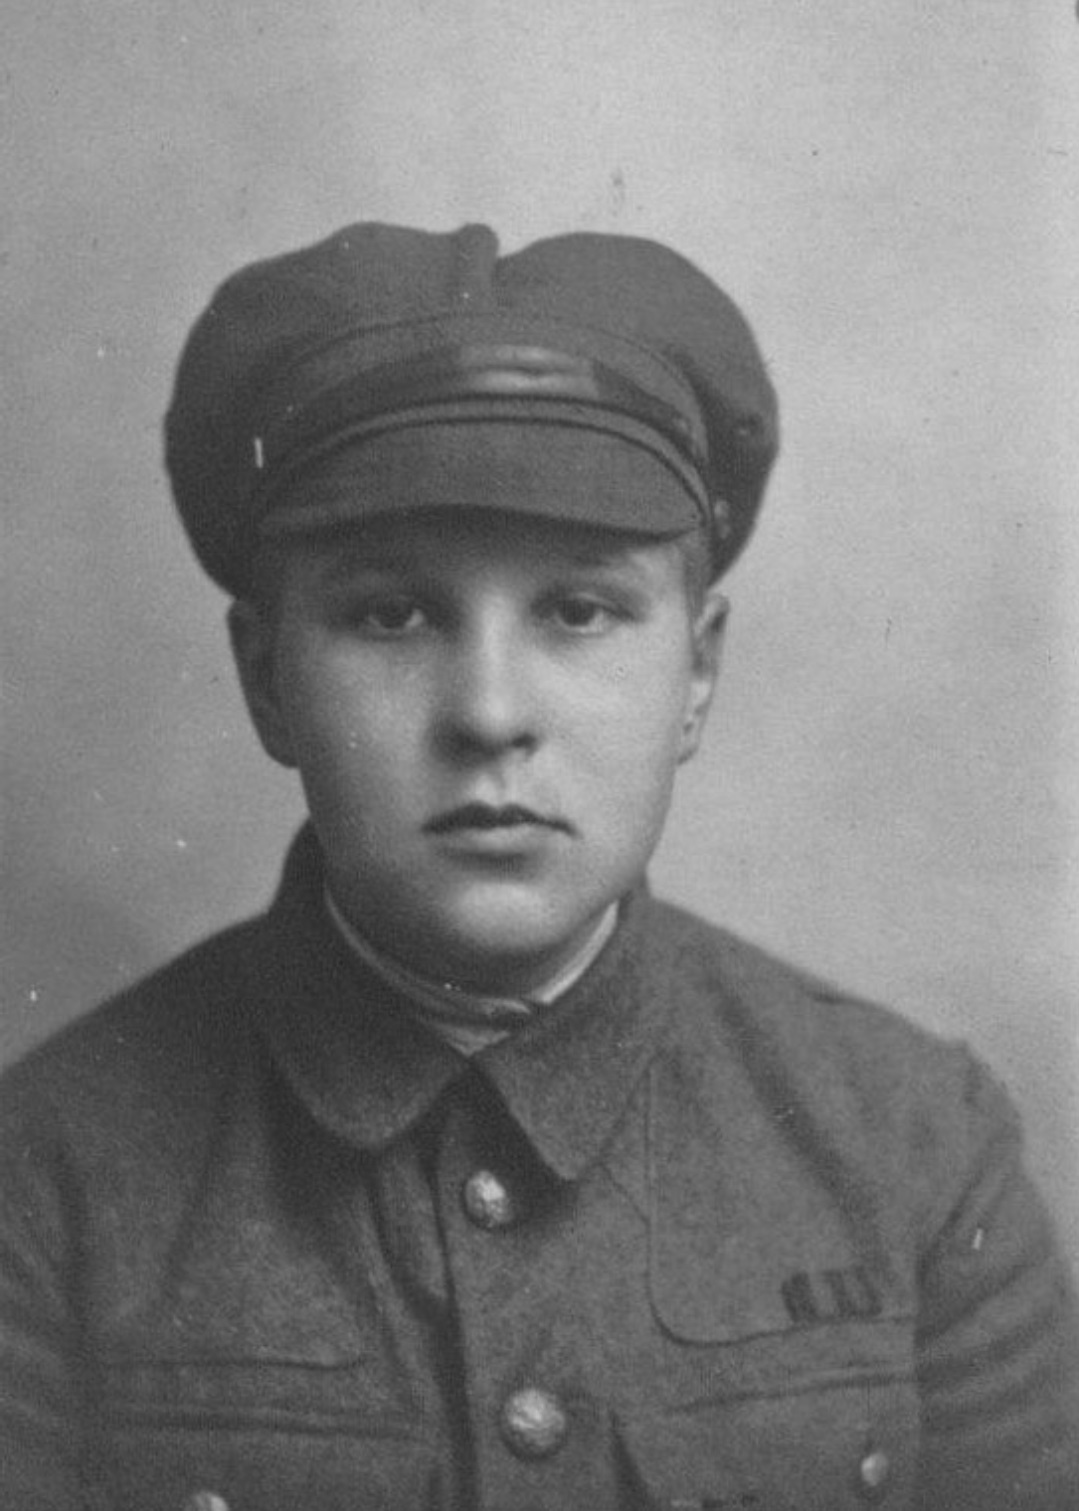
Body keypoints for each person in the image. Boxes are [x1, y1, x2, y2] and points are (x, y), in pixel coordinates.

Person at [1, 221, 1076, 1511]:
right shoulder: (43, 1185)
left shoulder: (913, 1150)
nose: (491, 713)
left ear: (697, 674)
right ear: (266, 678)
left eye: (579, 610)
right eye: (391, 614)